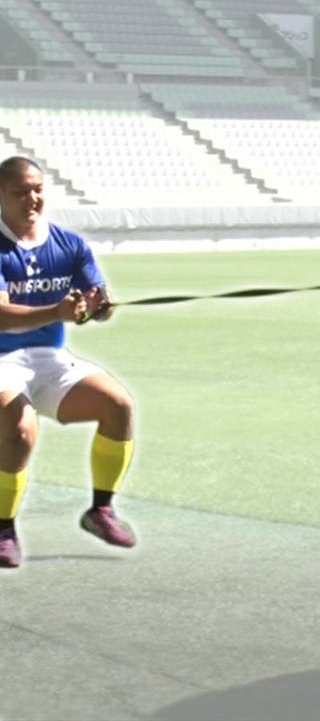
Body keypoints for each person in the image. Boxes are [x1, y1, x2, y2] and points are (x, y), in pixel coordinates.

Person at [0, 156, 136, 569]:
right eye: (20, 191)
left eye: (38, 189)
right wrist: (56, 312)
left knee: (118, 405)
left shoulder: (69, 244)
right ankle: (3, 528)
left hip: (49, 358)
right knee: (20, 430)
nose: (32, 198)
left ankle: (101, 510)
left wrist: (100, 306)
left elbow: (99, 302)